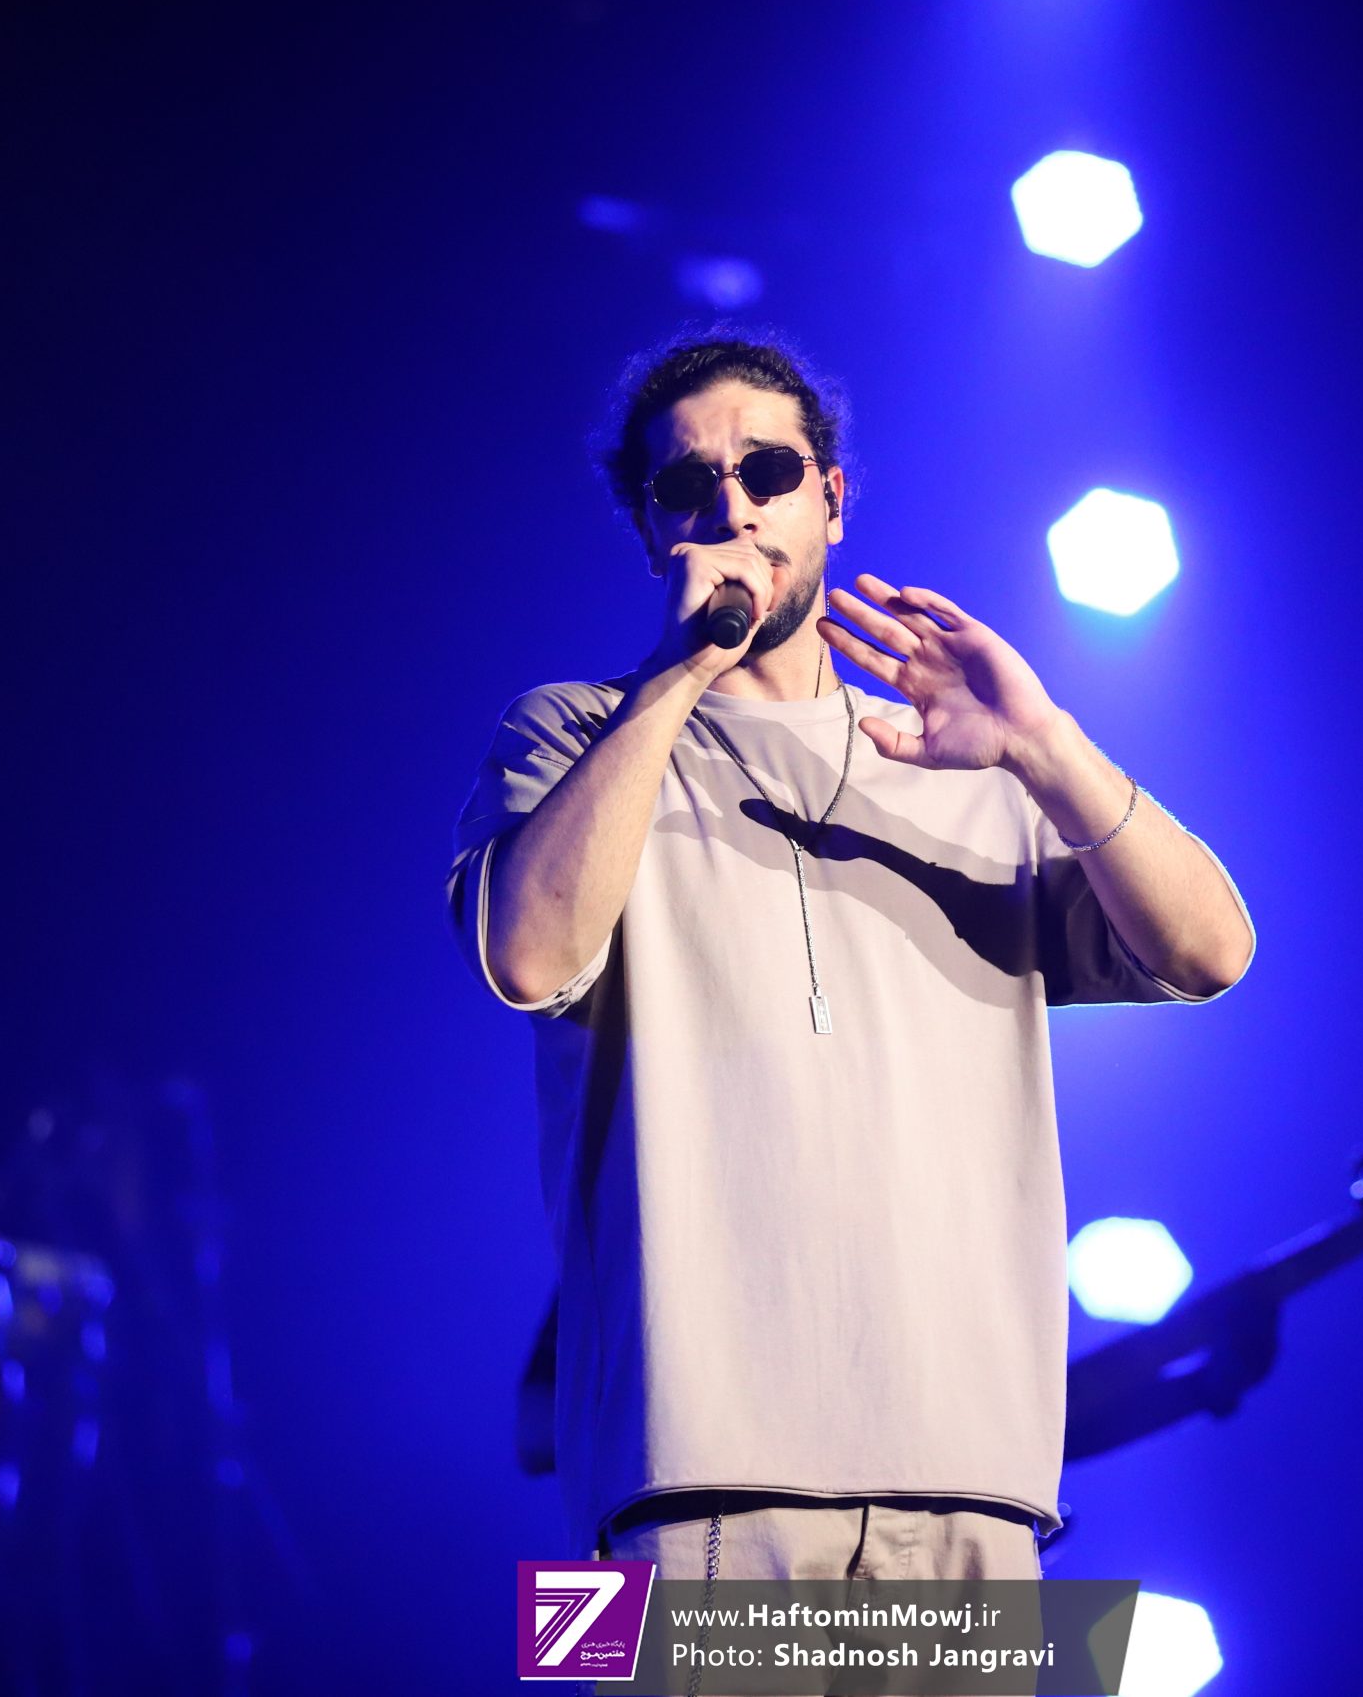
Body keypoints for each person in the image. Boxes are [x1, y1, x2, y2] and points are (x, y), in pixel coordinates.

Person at [448, 333, 1254, 1585]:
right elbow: (526, 957)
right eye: (687, 484)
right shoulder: (574, 732)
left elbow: (1212, 951)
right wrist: (677, 674)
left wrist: (1046, 746)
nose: (732, 506)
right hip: (684, 1483)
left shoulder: (969, 763)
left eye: (767, 471)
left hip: (974, 1484)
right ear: (651, 532)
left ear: (830, 497)